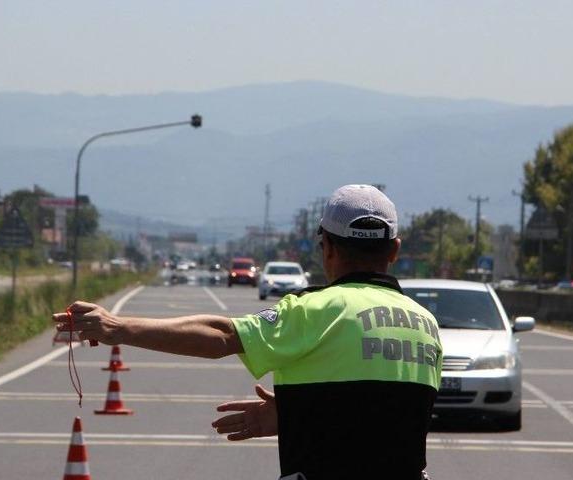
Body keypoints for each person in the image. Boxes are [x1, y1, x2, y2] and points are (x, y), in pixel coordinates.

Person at [54, 184, 443, 479]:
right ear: (395, 250)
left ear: (326, 247)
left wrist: (118, 327)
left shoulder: (315, 310)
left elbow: (221, 335)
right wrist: (299, 416)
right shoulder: (425, 324)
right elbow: (385, 418)